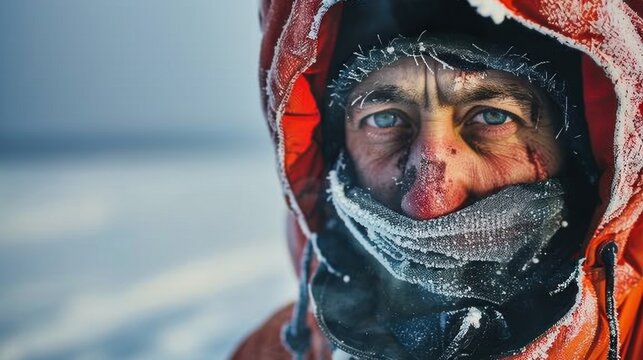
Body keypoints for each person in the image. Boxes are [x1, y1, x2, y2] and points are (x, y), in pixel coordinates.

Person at [233, 1, 643, 359]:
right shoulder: (278, 351)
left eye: (492, 116)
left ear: (585, 154)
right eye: (385, 119)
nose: (429, 204)